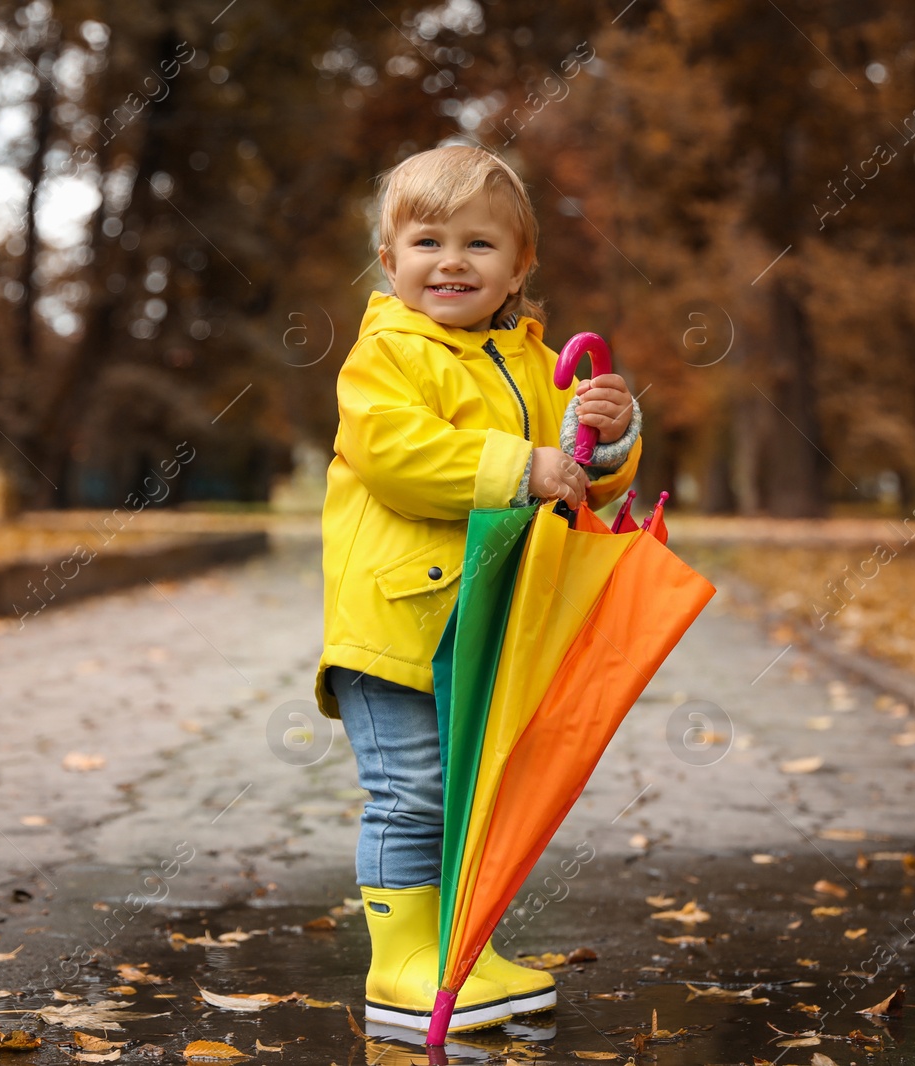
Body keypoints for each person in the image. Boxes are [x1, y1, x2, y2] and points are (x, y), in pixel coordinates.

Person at [313, 144, 642, 1034]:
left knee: (470, 797)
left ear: (519, 266)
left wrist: (604, 444)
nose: (451, 261)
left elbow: (576, 475)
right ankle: (399, 966)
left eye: (478, 244)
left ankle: (456, 951)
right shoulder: (386, 356)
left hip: (489, 626)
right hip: (399, 628)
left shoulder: (538, 364)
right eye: (427, 241)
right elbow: (397, 458)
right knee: (412, 792)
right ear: (389, 262)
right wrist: (519, 465)